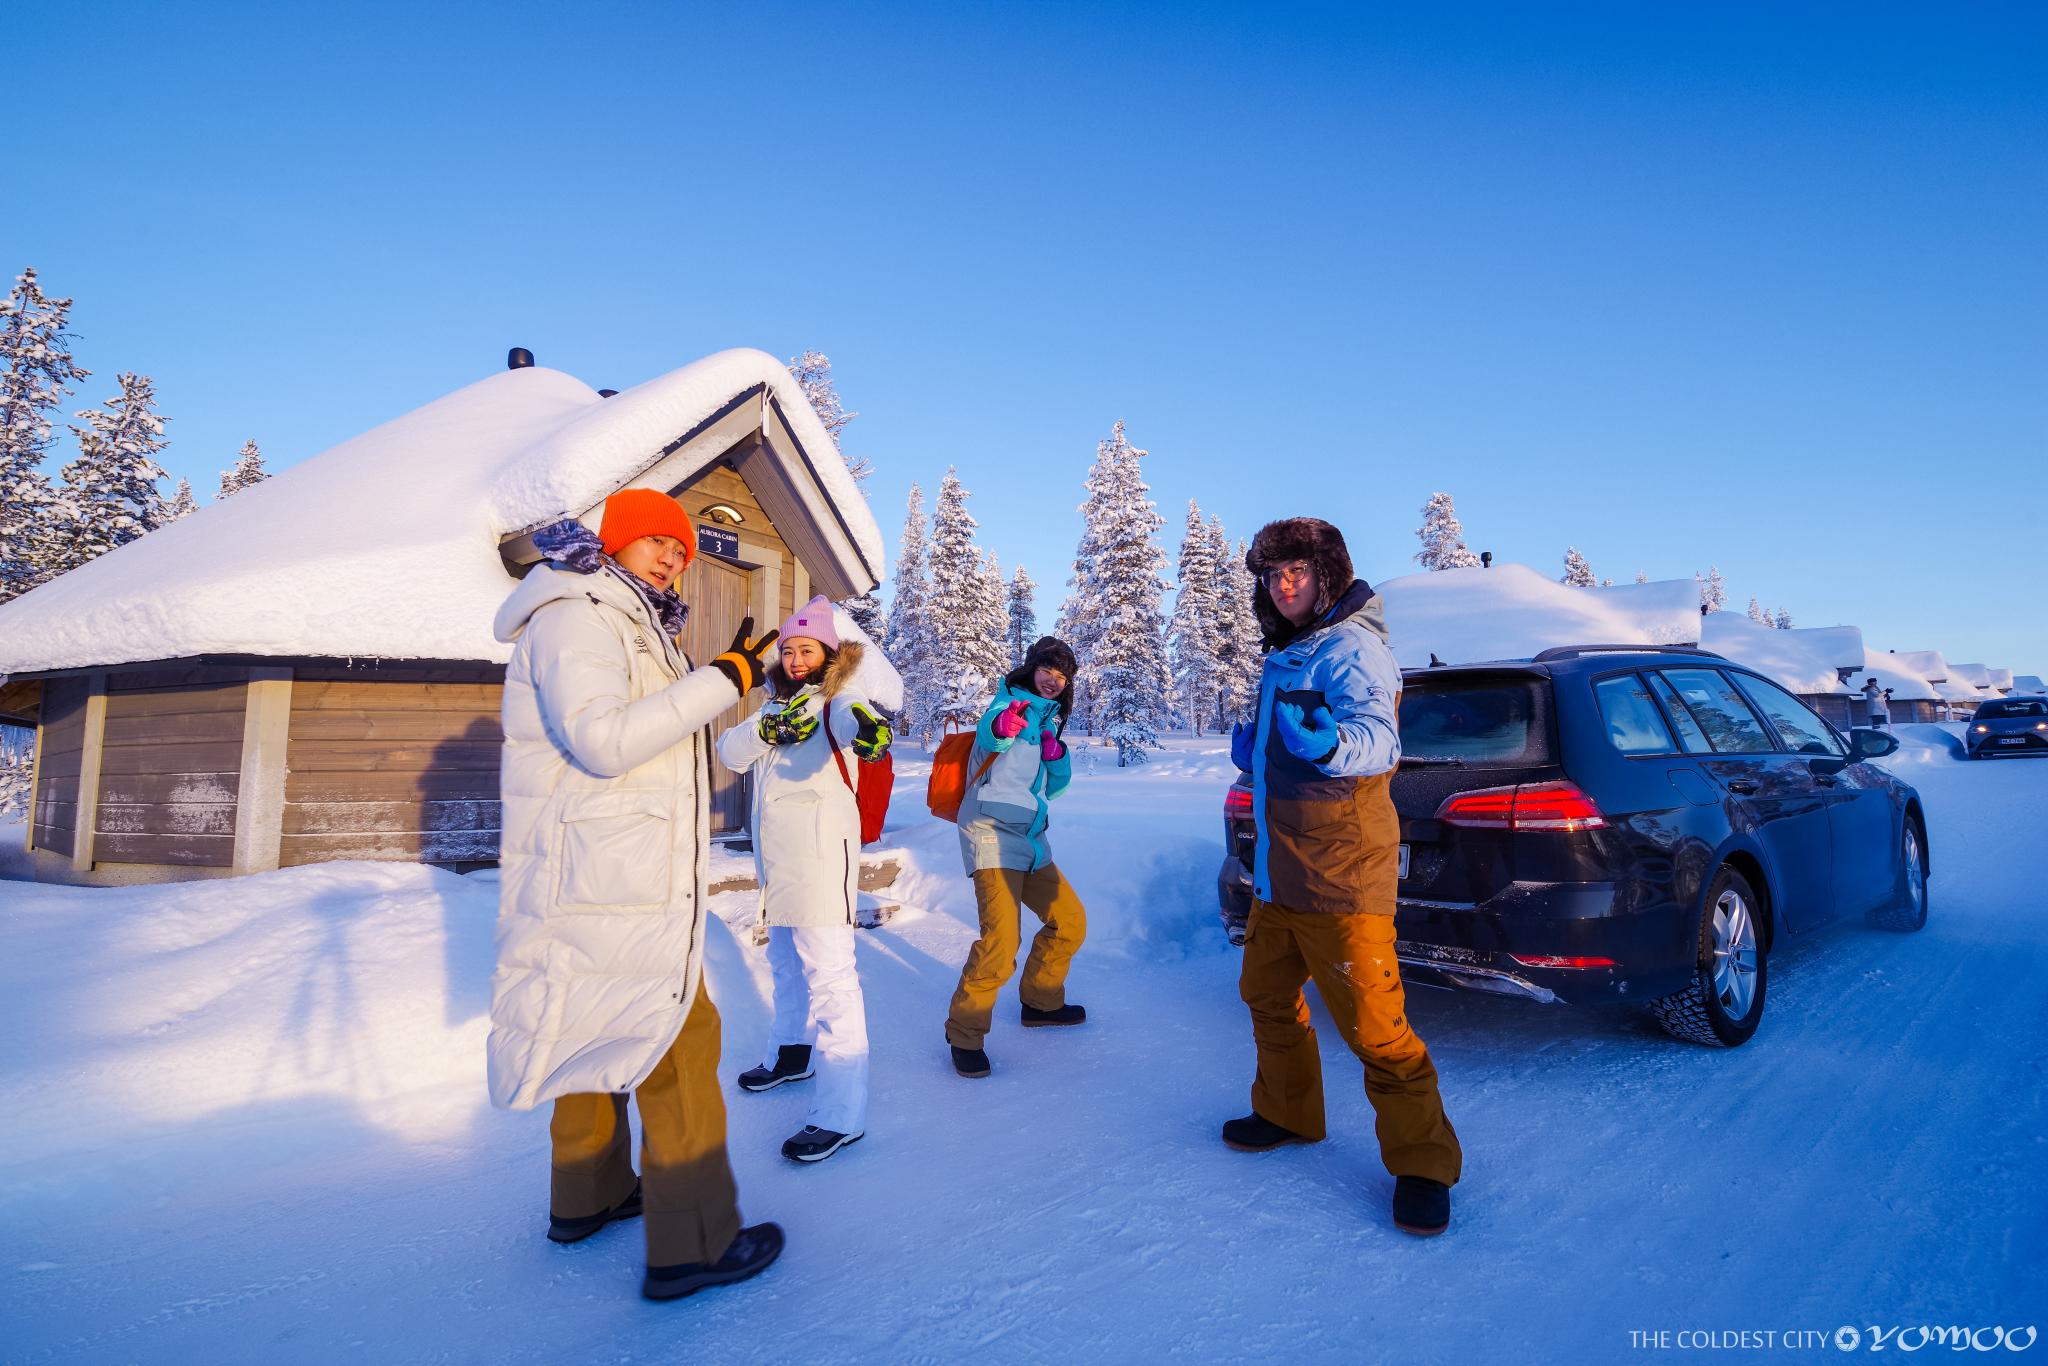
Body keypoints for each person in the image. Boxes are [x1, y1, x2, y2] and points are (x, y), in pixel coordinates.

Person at [489, 488, 787, 1303]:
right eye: (653, 540)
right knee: (679, 1034)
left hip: (600, 870)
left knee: (601, 1018)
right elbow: (606, 739)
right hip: (608, 873)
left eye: (680, 547)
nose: (669, 555)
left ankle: (589, 1196)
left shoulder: (620, 618)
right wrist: (726, 677)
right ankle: (695, 1242)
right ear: (613, 545)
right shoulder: (580, 615)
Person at [1223, 517, 1464, 1237]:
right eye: (1272, 575)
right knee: (1265, 993)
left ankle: (1424, 1164)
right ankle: (1288, 1111)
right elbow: (1286, 757)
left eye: (1295, 570)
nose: (1283, 584)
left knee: (1376, 1029)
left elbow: (1380, 741)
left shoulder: (1353, 647)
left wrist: (1331, 745)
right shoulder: (1294, 650)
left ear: (1325, 575)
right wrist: (1258, 752)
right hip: (1280, 876)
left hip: (1339, 881)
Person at [716, 595, 896, 1164]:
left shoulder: (838, 701)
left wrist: (866, 726)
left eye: (806, 649)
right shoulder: (776, 707)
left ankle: (842, 1114)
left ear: (828, 654)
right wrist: (768, 727)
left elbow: (851, 720)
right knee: (786, 964)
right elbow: (729, 752)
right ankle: (790, 1055)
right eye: (788, 651)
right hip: (779, 867)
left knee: (832, 978)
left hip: (821, 862)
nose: (795, 659)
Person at [944, 636, 1088, 1079]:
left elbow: (1055, 789)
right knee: (1001, 942)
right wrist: (1004, 726)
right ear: (1031, 668)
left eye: (1062, 676)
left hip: (1030, 837)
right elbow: (991, 732)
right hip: (990, 833)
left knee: (1069, 921)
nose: (1053, 680)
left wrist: (1056, 754)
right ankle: (964, 1034)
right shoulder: (1009, 704)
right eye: (1047, 669)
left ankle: (1040, 1002)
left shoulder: (1050, 721)